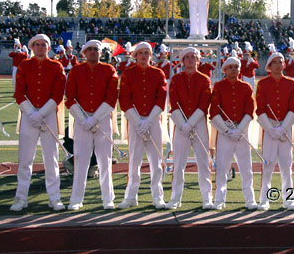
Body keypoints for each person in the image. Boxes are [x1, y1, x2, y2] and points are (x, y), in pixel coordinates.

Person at [11, 34, 67, 212]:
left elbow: (58, 94)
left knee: (51, 159)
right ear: (32, 47)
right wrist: (31, 113)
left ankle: (54, 198)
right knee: (25, 159)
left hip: (49, 115)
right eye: (37, 44)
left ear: (48, 48)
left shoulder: (57, 66)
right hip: (29, 115)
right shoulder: (24, 66)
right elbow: (19, 93)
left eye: (44, 45)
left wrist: (41, 113)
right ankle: (21, 198)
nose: (41, 47)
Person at [66, 40, 119, 210]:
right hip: (81, 120)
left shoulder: (109, 70)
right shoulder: (75, 71)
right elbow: (70, 98)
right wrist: (83, 119)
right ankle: (76, 199)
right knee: (80, 160)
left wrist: (94, 118)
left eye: (96, 49)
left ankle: (108, 198)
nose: (93, 52)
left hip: (102, 119)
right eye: (90, 49)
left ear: (101, 52)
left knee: (105, 161)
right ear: (84, 52)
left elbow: (111, 98)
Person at [118, 42, 167, 209]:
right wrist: (138, 121)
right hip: (135, 122)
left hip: (153, 121)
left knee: (156, 160)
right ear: (135, 55)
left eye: (147, 53)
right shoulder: (128, 74)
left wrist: (149, 120)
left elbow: (161, 99)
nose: (144, 56)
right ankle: (131, 196)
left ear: (151, 56)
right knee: (134, 160)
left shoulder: (158, 73)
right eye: (141, 53)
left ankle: (157, 196)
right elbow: (124, 99)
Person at [166, 47, 213, 210]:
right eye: (187, 57)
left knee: (203, 162)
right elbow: (174, 103)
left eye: (194, 57)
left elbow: (204, 103)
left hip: (198, 123)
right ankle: (175, 198)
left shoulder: (204, 79)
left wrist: (191, 123)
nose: (191, 60)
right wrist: (183, 124)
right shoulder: (176, 79)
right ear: (183, 61)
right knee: (178, 163)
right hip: (181, 124)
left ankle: (207, 197)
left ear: (198, 60)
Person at [209, 56, 257, 210]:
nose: (233, 70)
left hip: (241, 133)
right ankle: (219, 199)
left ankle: (250, 199)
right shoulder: (218, 86)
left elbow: (249, 111)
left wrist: (239, 129)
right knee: (222, 168)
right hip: (226, 134)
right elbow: (214, 112)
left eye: (236, 67)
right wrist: (227, 130)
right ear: (225, 70)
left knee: (246, 167)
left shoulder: (246, 87)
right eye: (230, 67)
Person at [255, 51, 294, 210]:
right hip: (270, 127)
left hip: (285, 128)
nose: (278, 65)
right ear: (269, 66)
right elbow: (260, 109)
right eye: (275, 62)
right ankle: (264, 199)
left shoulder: (292, 83)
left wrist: (283, 128)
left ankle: (289, 199)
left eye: (281, 62)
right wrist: (271, 128)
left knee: (287, 164)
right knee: (268, 163)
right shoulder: (262, 84)